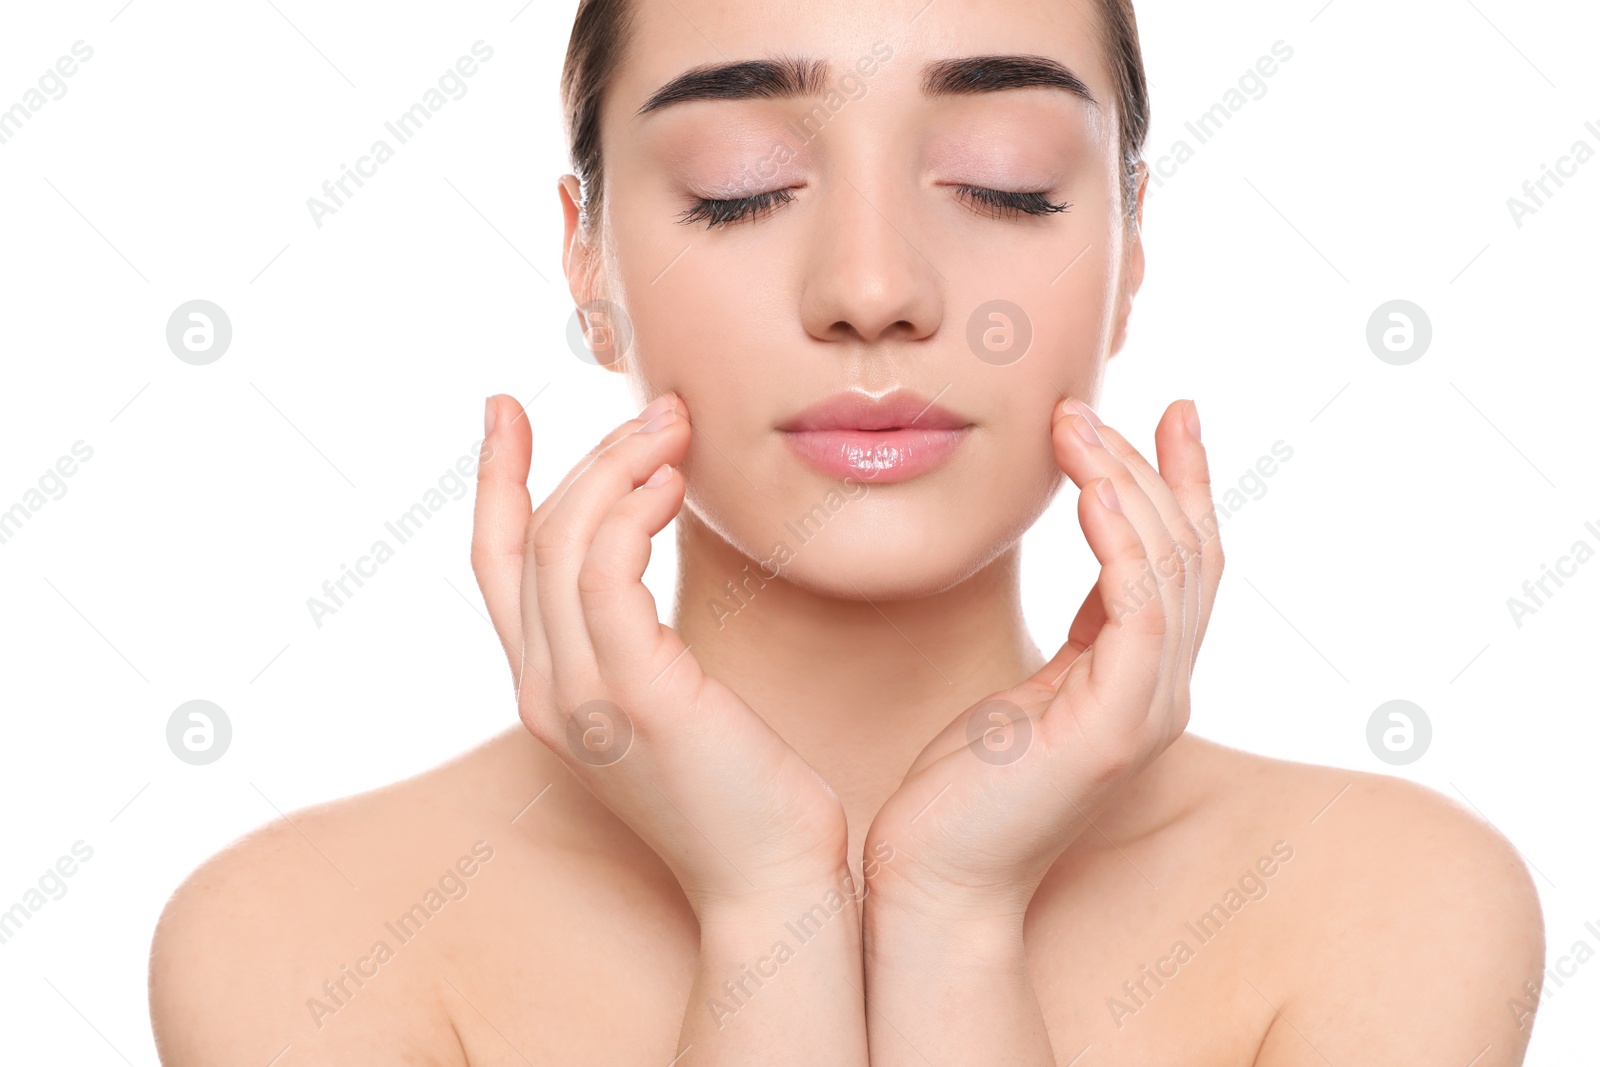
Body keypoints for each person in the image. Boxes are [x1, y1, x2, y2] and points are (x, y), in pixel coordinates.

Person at [149, 0, 1545, 1062]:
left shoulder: (1392, 903)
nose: (872, 288)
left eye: (1005, 182)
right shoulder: (301, 938)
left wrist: (950, 918)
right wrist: (770, 912)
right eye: (742, 184)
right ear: (589, 264)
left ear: (1128, 250)